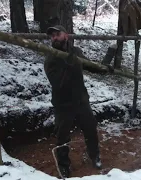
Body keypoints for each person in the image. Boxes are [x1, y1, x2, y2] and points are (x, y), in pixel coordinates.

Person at [44, 25, 102, 178]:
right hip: (63, 104)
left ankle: (95, 156)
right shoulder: (50, 58)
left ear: (66, 36)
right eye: (52, 36)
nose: (54, 37)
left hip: (81, 100)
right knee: (62, 136)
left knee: (90, 129)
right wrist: (67, 64)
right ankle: (64, 165)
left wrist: (105, 67)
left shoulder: (76, 52)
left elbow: (90, 66)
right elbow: (57, 83)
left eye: (57, 34)